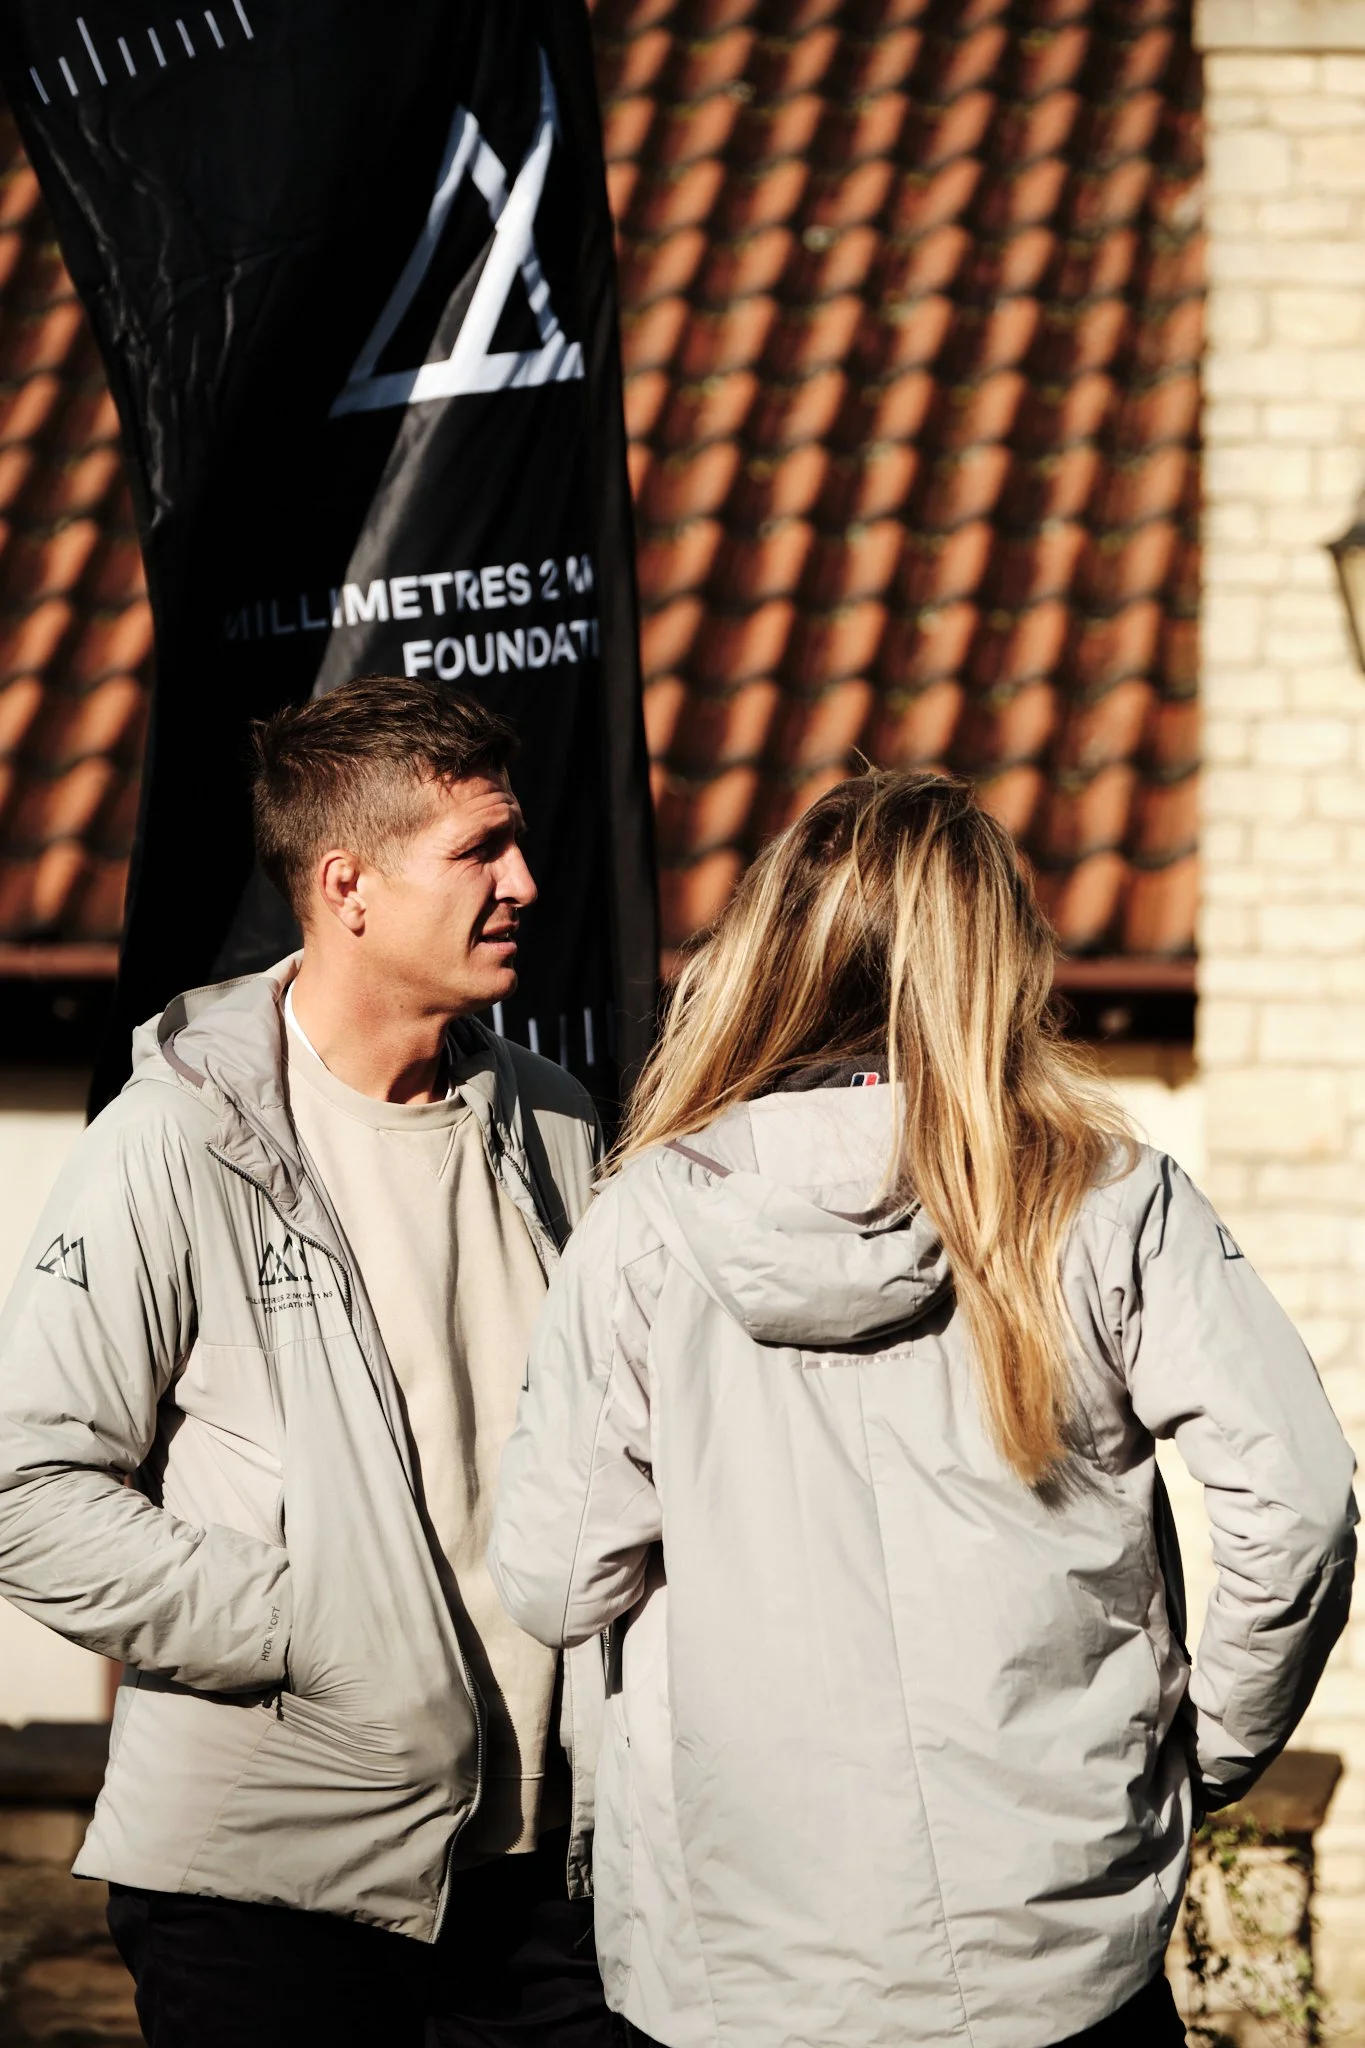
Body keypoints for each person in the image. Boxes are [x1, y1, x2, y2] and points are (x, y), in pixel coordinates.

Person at [489, 769, 1358, 2048]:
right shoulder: (1111, 1196)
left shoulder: (643, 1229)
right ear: (998, 961)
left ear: (774, 947)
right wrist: (1204, 1750)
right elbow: (1300, 1508)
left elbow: (556, 1581)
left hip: (748, 1961)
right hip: (1062, 1951)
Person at [0, 675, 616, 2048]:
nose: (522, 881)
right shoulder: (173, 1143)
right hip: (265, 1887)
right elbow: (27, 1493)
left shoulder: (561, 1123)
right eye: (477, 852)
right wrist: (317, 1627)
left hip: (546, 1885)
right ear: (346, 884)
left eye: (514, 843)